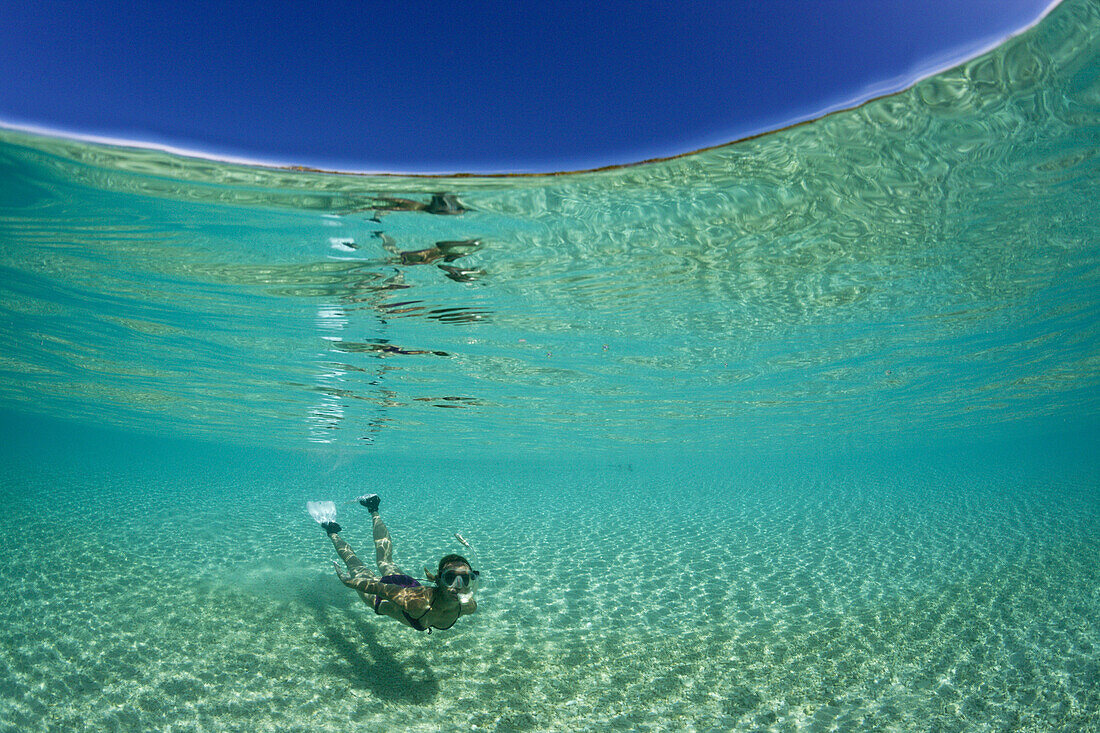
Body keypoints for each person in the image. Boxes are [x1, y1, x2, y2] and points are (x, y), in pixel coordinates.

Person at [310, 494, 478, 633]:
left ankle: (373, 508)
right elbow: (377, 588)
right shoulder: (417, 604)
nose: (458, 586)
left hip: (409, 586)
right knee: (356, 567)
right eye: (450, 578)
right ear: (439, 580)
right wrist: (348, 581)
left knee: (385, 561)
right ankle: (332, 531)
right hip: (385, 599)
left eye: (464, 579)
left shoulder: (468, 606)